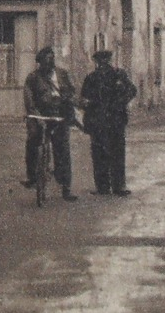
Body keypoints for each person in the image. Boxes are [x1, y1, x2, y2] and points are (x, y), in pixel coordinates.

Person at [22, 45, 79, 202]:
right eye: (46, 60)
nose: (50, 62)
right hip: (40, 115)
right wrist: (35, 115)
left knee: (63, 150)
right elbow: (29, 98)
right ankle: (33, 176)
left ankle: (66, 188)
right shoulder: (33, 78)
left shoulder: (62, 74)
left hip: (59, 115)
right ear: (40, 63)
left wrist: (66, 99)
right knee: (33, 140)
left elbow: (71, 91)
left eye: (52, 59)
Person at [79, 49, 137, 196]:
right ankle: (102, 187)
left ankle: (119, 186)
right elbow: (84, 97)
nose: (104, 63)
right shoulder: (91, 78)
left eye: (106, 60)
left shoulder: (119, 75)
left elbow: (132, 90)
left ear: (110, 60)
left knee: (117, 152)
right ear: (97, 62)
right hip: (97, 120)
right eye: (100, 61)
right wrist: (88, 104)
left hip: (116, 120)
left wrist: (121, 103)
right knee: (99, 154)